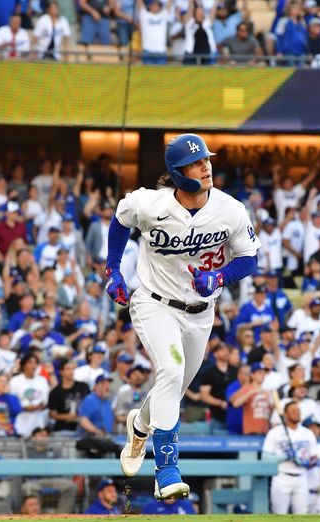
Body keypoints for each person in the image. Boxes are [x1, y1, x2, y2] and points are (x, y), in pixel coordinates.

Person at [108, 133, 259, 500]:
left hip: (200, 312)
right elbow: (120, 219)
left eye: (207, 160)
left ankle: (140, 425)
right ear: (178, 173)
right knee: (171, 373)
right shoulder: (149, 204)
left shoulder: (230, 209)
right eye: (196, 162)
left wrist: (220, 276)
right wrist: (113, 269)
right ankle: (167, 470)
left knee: (173, 387)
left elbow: (250, 257)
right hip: (154, 302)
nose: (206, 166)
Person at [261, 401, 317, 515]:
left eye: (298, 411)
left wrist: (304, 461)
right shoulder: (275, 432)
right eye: (293, 411)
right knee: (279, 515)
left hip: (302, 477)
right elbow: (265, 457)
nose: (297, 413)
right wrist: (285, 456)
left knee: (302, 515)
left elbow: (314, 458)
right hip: (282, 477)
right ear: (285, 414)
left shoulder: (307, 433)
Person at [9, 352, 50, 437]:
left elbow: (45, 400)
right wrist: (25, 407)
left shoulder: (42, 380)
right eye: (30, 363)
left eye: (35, 363)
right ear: (24, 365)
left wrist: (40, 406)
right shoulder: (15, 381)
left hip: (38, 422)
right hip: (21, 422)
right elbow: (12, 402)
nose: (33, 366)